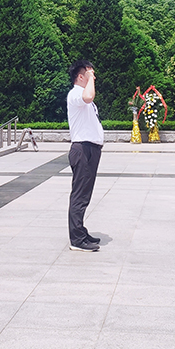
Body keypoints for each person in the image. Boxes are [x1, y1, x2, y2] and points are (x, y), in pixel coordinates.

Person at [66, 59, 103, 252]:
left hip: (91, 148)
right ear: (80, 76)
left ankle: (80, 230)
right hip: (83, 149)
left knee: (85, 195)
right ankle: (77, 239)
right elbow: (89, 96)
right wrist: (90, 80)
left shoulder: (81, 94)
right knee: (80, 195)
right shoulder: (76, 93)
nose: (94, 77)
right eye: (89, 74)